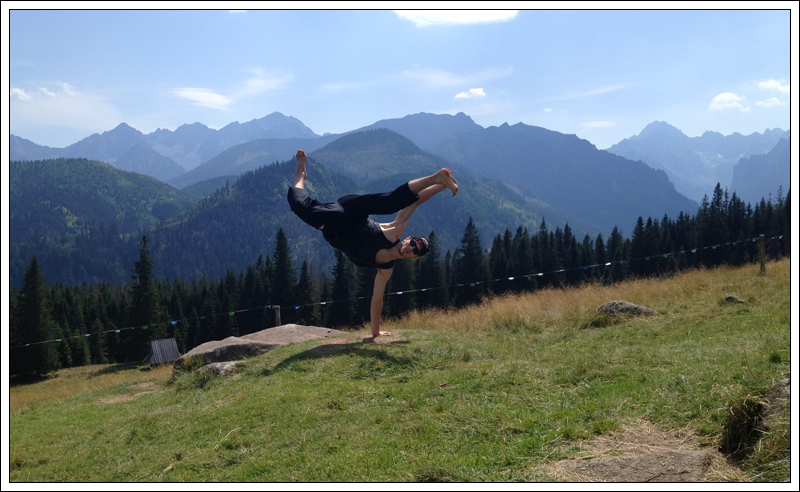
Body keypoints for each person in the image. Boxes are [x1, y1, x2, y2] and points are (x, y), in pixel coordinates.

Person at [287, 149, 458, 337]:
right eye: (413, 243)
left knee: (297, 204)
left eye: (415, 250)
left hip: (333, 228)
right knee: (392, 203)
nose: (411, 248)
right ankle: (437, 177)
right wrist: (440, 185)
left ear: (415, 258)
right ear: (408, 238)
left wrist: (375, 333)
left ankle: (300, 173)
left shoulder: (386, 269)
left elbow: (377, 299)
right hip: (350, 211)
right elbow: (414, 203)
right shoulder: (395, 231)